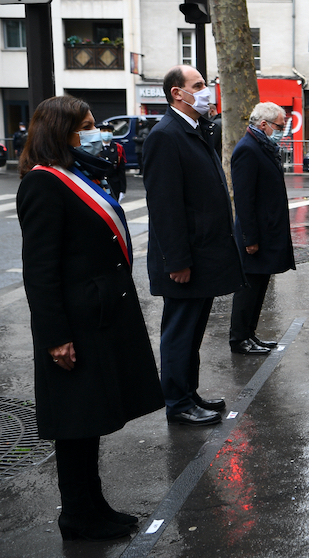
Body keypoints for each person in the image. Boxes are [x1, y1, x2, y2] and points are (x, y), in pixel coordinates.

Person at [16, 96, 164, 541]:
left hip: (97, 316)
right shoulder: (43, 184)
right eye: (87, 126)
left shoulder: (75, 175)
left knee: (91, 419)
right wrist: (56, 337)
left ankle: (93, 504)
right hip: (73, 325)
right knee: (75, 423)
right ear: (62, 132)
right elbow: (39, 273)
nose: (97, 133)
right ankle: (78, 515)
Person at [143, 65, 246, 427]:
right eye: (198, 85)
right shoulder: (165, 135)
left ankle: (189, 392)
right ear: (177, 93)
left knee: (192, 333)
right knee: (180, 333)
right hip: (185, 260)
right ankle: (178, 402)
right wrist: (177, 260)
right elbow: (166, 207)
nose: (206, 90)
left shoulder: (196, 129)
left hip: (202, 256)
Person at [229, 102, 296, 354]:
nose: (282, 130)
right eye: (280, 125)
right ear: (264, 124)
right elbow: (244, 199)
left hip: (265, 231)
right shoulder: (248, 149)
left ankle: (250, 334)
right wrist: (250, 238)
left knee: (259, 286)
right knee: (249, 288)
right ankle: (239, 338)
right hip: (255, 233)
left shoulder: (262, 146)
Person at [98, 124, 128, 201]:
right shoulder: (96, 147)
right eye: (104, 131)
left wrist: (122, 190)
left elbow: (121, 170)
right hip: (100, 185)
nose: (106, 133)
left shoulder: (118, 148)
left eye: (109, 131)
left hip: (114, 185)